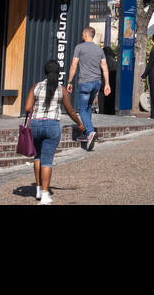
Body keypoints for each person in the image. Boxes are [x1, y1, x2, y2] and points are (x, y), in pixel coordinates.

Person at [24, 58, 85, 205]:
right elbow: (70, 110)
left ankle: (38, 189)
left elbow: (27, 108)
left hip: (36, 125)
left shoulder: (36, 87)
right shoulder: (61, 89)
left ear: (45, 72)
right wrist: (79, 124)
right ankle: (45, 195)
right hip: (52, 126)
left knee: (37, 157)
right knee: (47, 161)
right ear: (58, 74)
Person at [67, 26, 111, 150]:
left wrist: (69, 81)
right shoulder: (99, 50)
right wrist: (107, 84)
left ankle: (90, 132)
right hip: (97, 83)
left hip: (85, 83)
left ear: (86, 35)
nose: (81, 35)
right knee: (88, 108)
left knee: (81, 109)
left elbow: (73, 65)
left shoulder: (79, 47)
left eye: (82, 34)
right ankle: (86, 134)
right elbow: (104, 67)